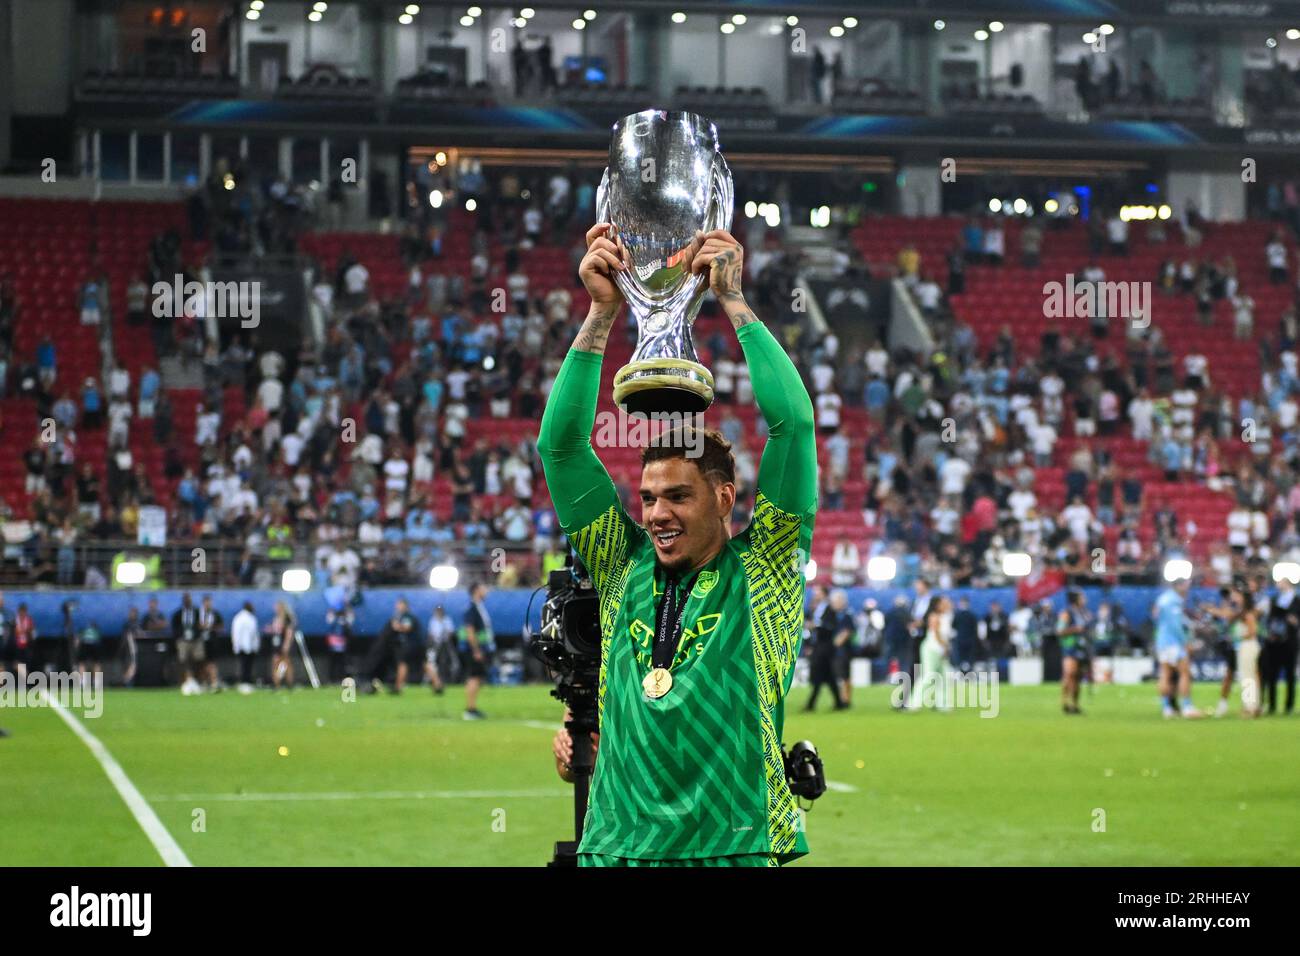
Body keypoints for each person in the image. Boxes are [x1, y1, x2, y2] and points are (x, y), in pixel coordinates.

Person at [537, 221, 818, 866]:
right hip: (618, 848)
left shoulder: (765, 568)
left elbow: (793, 425)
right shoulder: (620, 563)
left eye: (678, 496)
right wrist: (602, 314)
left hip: (735, 844)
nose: (657, 513)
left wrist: (736, 303)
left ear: (724, 498)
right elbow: (561, 447)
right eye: (649, 498)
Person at [1152, 578, 1204, 718]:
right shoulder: (1174, 601)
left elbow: (1156, 617)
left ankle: (1166, 708)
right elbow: (1176, 625)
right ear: (1178, 586)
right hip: (1173, 642)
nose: (1188, 589)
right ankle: (1187, 707)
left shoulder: (1162, 599)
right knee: (1184, 672)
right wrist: (1185, 642)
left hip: (1162, 641)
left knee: (1165, 674)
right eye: (1186, 585)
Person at [805, 589, 850, 712]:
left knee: (819, 674)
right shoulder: (815, 609)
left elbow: (830, 627)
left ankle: (811, 704)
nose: (815, 595)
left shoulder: (829, 609)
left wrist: (816, 626)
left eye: (817, 592)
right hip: (818, 646)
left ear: (824, 594)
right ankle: (839, 703)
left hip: (825, 647)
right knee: (828, 676)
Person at [1263, 574, 1299, 715]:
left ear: (1288, 584)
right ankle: (1272, 705)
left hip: (1290, 642)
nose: (1278, 585)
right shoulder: (1274, 600)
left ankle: (1289, 706)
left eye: (1281, 582)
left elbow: (1296, 622)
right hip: (1274, 642)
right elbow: (1269, 619)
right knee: (1272, 674)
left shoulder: (1296, 601)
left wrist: (1293, 621)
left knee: (1290, 675)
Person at [910, 596, 953, 710]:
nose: (948, 604)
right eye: (944, 602)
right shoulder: (934, 616)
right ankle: (914, 702)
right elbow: (936, 633)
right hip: (932, 648)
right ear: (938, 605)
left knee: (943, 677)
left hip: (941, 649)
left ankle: (943, 704)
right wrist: (945, 647)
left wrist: (945, 647)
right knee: (929, 676)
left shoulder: (947, 617)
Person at [459, 582, 494, 719]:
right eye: (483, 588)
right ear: (476, 590)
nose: (486, 591)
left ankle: (472, 708)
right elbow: (470, 631)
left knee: (476, 677)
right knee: (474, 676)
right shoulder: (472, 609)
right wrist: (476, 650)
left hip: (478, 648)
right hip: (474, 649)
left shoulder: (478, 607)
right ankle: (470, 709)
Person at [1057, 589, 1091, 715]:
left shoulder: (1084, 613)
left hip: (1082, 647)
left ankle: (1075, 704)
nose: (1084, 599)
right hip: (1070, 647)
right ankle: (1064, 702)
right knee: (1069, 674)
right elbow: (1060, 631)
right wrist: (1075, 629)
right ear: (1075, 599)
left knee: (1078, 676)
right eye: (1082, 597)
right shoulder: (1066, 613)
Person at [172, 593, 203, 695]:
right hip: (183, 640)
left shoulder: (197, 612)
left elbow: (200, 624)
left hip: (195, 639)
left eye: (189, 599)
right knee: (183, 660)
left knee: (198, 659)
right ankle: (186, 681)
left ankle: (194, 680)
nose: (188, 601)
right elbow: (175, 627)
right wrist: (179, 637)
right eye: (186, 600)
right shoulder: (178, 613)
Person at [390, 598, 422, 693]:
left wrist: (396, 626)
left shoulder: (407, 616)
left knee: (402, 663)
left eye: (399, 605)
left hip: (411, 644)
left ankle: (398, 687)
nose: (397, 607)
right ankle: (438, 685)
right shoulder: (407, 616)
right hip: (418, 644)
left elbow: (407, 628)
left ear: (404, 605)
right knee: (424, 663)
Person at [230, 602, 259, 694]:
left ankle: (246, 682)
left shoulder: (245, 618)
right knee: (245, 665)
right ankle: (244, 682)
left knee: (246, 665)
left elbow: (254, 634)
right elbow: (237, 633)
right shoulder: (243, 618)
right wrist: (237, 645)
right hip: (244, 646)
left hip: (246, 646)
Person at [196, 595, 224, 692]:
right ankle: (204, 681)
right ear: (203, 603)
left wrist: (211, 627)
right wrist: (202, 627)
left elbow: (221, 626)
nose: (208, 604)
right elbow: (195, 626)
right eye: (206, 602)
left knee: (211, 662)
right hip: (201, 642)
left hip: (212, 641)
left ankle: (213, 681)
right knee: (202, 663)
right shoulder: (198, 613)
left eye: (210, 602)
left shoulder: (215, 614)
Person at [268, 601, 297, 690]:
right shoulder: (276, 618)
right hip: (276, 644)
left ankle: (289, 683)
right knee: (276, 663)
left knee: (286, 664)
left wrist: (286, 645)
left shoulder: (287, 618)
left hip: (283, 644)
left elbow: (289, 632)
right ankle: (277, 683)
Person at [425, 604, 453, 694]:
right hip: (435, 644)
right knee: (433, 663)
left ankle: (442, 681)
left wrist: (444, 638)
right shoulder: (433, 620)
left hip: (444, 644)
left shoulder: (447, 620)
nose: (438, 612)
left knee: (443, 663)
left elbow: (450, 632)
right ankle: (435, 682)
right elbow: (430, 632)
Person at [118, 607, 141, 687]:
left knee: (133, 665)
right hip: (126, 649)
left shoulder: (137, 624)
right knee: (128, 665)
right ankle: (126, 681)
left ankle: (127, 681)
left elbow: (137, 635)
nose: (131, 614)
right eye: (131, 613)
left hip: (132, 649)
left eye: (133, 613)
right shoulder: (127, 624)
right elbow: (125, 637)